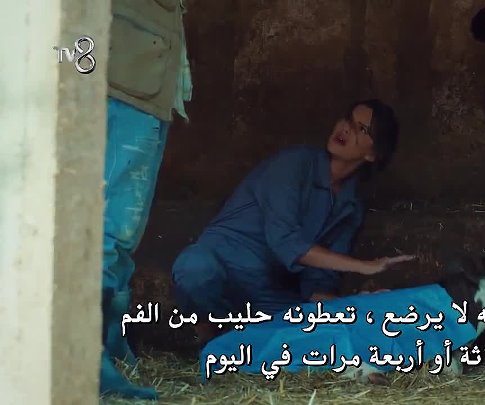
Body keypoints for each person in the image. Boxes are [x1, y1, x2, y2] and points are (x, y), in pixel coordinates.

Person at [171, 99, 416, 345]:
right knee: (193, 269)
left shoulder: (350, 207)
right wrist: (362, 266)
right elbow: (285, 241)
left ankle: (238, 340)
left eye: (360, 129)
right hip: (223, 267)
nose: (346, 128)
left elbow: (319, 284)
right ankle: (210, 337)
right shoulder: (293, 164)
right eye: (347, 120)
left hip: (267, 294)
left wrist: (354, 307)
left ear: (372, 154)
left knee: (323, 325)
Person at [100, 0, 193, 400]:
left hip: (144, 71)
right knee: (104, 229)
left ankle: (108, 345)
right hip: (121, 72)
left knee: (121, 234)